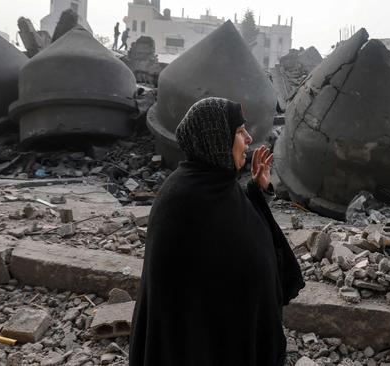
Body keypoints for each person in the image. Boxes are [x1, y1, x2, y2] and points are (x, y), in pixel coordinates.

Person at [129, 97, 305, 366]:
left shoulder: (219, 184)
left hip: (230, 338)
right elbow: (187, 299)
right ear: (215, 138)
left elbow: (238, 231)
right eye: (238, 131)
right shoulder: (183, 200)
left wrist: (257, 191)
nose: (248, 138)